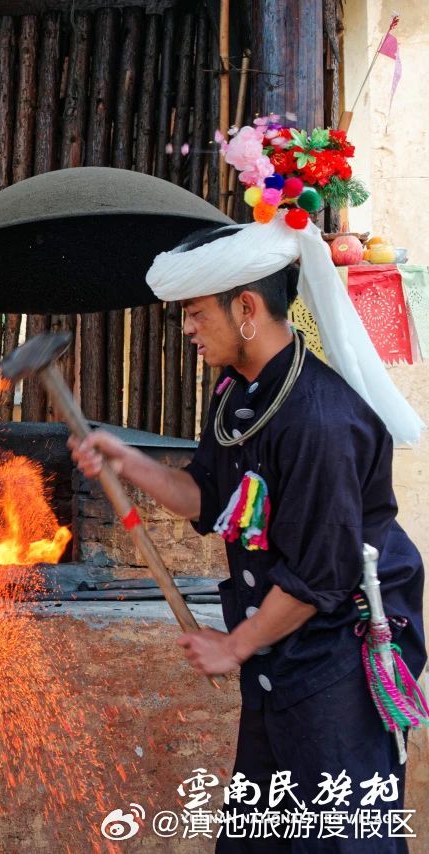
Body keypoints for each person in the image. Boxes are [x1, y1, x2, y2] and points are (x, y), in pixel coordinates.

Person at [71, 186, 425, 848]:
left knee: (343, 836)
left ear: (247, 308)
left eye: (195, 314)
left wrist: (233, 644)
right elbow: (209, 498)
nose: (187, 329)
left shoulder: (321, 420)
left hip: (336, 658)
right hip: (280, 653)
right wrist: (124, 460)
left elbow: (321, 573)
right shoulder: (236, 393)